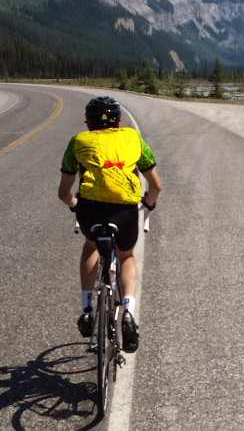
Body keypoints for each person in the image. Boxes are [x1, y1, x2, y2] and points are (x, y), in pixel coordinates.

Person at [58, 96, 162, 353]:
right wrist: (148, 204)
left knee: (91, 246)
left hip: (90, 210)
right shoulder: (133, 139)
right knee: (126, 256)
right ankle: (127, 312)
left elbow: (64, 192)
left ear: (89, 123)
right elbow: (156, 186)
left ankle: (86, 309)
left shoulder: (78, 142)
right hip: (125, 210)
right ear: (118, 122)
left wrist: (75, 205)